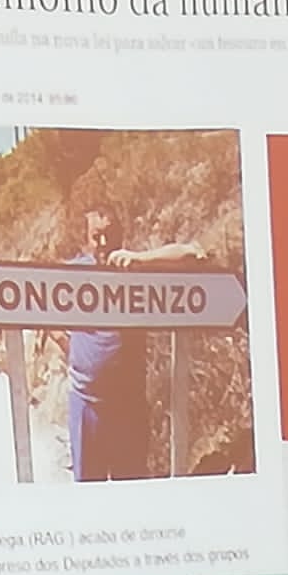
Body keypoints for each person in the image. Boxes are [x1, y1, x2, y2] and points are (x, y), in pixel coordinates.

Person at [65, 204, 205, 483]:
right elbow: (39, 310)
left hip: (128, 408)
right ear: (86, 238)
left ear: (121, 234)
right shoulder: (73, 274)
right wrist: (78, 355)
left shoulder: (136, 268)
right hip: (85, 405)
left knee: (131, 491)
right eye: (96, 236)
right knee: (88, 496)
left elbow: (194, 254)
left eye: (109, 234)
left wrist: (141, 259)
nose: (103, 242)